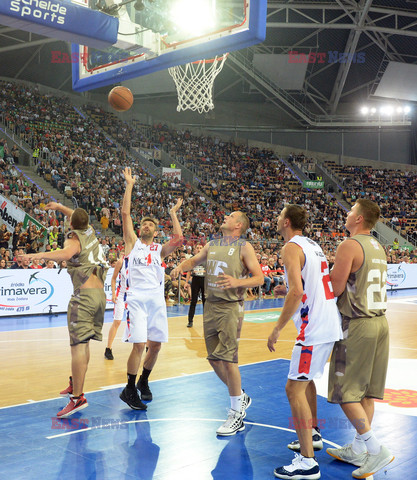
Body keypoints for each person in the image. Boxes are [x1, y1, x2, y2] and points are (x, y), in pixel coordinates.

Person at [267, 204, 342, 480]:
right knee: (306, 380)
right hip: (328, 322)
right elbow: (306, 284)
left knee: (292, 389)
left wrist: (276, 328)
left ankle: (307, 462)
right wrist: (287, 289)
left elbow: (298, 292)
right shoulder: (312, 245)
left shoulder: (290, 248)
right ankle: (312, 433)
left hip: (314, 329)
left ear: (286, 221)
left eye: (278, 215)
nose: (276, 219)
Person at [172, 211, 264, 436]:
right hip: (210, 306)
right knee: (214, 358)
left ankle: (236, 415)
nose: (225, 217)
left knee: (229, 359)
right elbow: (194, 261)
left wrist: (237, 281)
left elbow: (260, 278)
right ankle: (240, 396)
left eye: (231, 216)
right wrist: (180, 267)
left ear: (238, 225)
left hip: (230, 308)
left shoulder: (244, 247)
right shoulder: (212, 244)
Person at [326, 199, 394, 478]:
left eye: (351, 210)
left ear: (359, 218)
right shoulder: (378, 247)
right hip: (380, 323)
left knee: (344, 392)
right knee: (365, 392)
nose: (347, 213)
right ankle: (357, 449)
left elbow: (336, 286)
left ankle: (376, 450)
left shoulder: (349, 245)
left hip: (357, 325)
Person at [21, 202, 108, 418]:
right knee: (84, 343)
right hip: (100, 297)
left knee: (77, 346)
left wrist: (35, 256)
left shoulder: (74, 236)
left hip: (84, 297)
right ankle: (75, 384)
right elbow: (77, 215)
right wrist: (59, 206)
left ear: (71, 224)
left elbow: (67, 253)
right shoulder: (90, 230)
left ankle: (77, 398)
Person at [119, 167, 183, 411]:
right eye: (143, 223)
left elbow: (178, 240)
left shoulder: (159, 249)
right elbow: (125, 213)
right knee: (138, 344)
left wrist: (173, 213)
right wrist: (129, 185)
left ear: (156, 232)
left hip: (156, 300)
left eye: (149, 225)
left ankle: (143, 382)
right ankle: (129, 388)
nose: (145, 225)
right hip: (135, 298)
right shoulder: (132, 243)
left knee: (155, 345)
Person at [105, 254, 128, 360]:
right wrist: (113, 294)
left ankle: (146, 346)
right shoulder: (121, 261)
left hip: (134, 294)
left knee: (139, 320)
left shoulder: (140, 259)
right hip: (121, 294)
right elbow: (113, 278)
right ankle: (108, 349)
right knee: (117, 321)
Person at [185, 243, 206, 328]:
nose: (199, 249)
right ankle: (190, 321)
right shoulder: (192, 258)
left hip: (204, 280)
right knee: (193, 301)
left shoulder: (207, 257)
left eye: (201, 247)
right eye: (197, 248)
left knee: (205, 301)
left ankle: (206, 321)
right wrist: (186, 282)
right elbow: (189, 271)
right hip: (195, 280)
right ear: (195, 249)